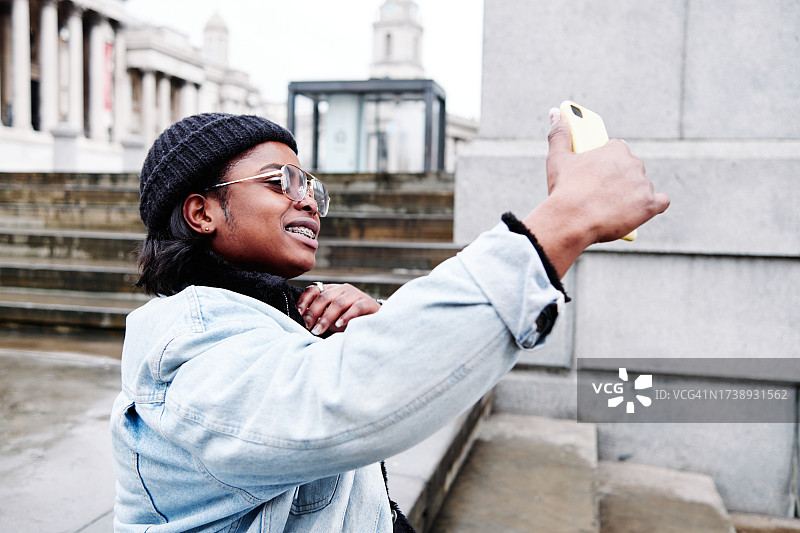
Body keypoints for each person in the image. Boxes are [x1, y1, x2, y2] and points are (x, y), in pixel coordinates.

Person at [110, 111, 669, 532]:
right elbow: (344, 402)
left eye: (312, 188)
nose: (308, 201)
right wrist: (564, 221)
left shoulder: (278, 316)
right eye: (280, 181)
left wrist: (379, 329)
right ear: (201, 211)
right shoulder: (187, 344)